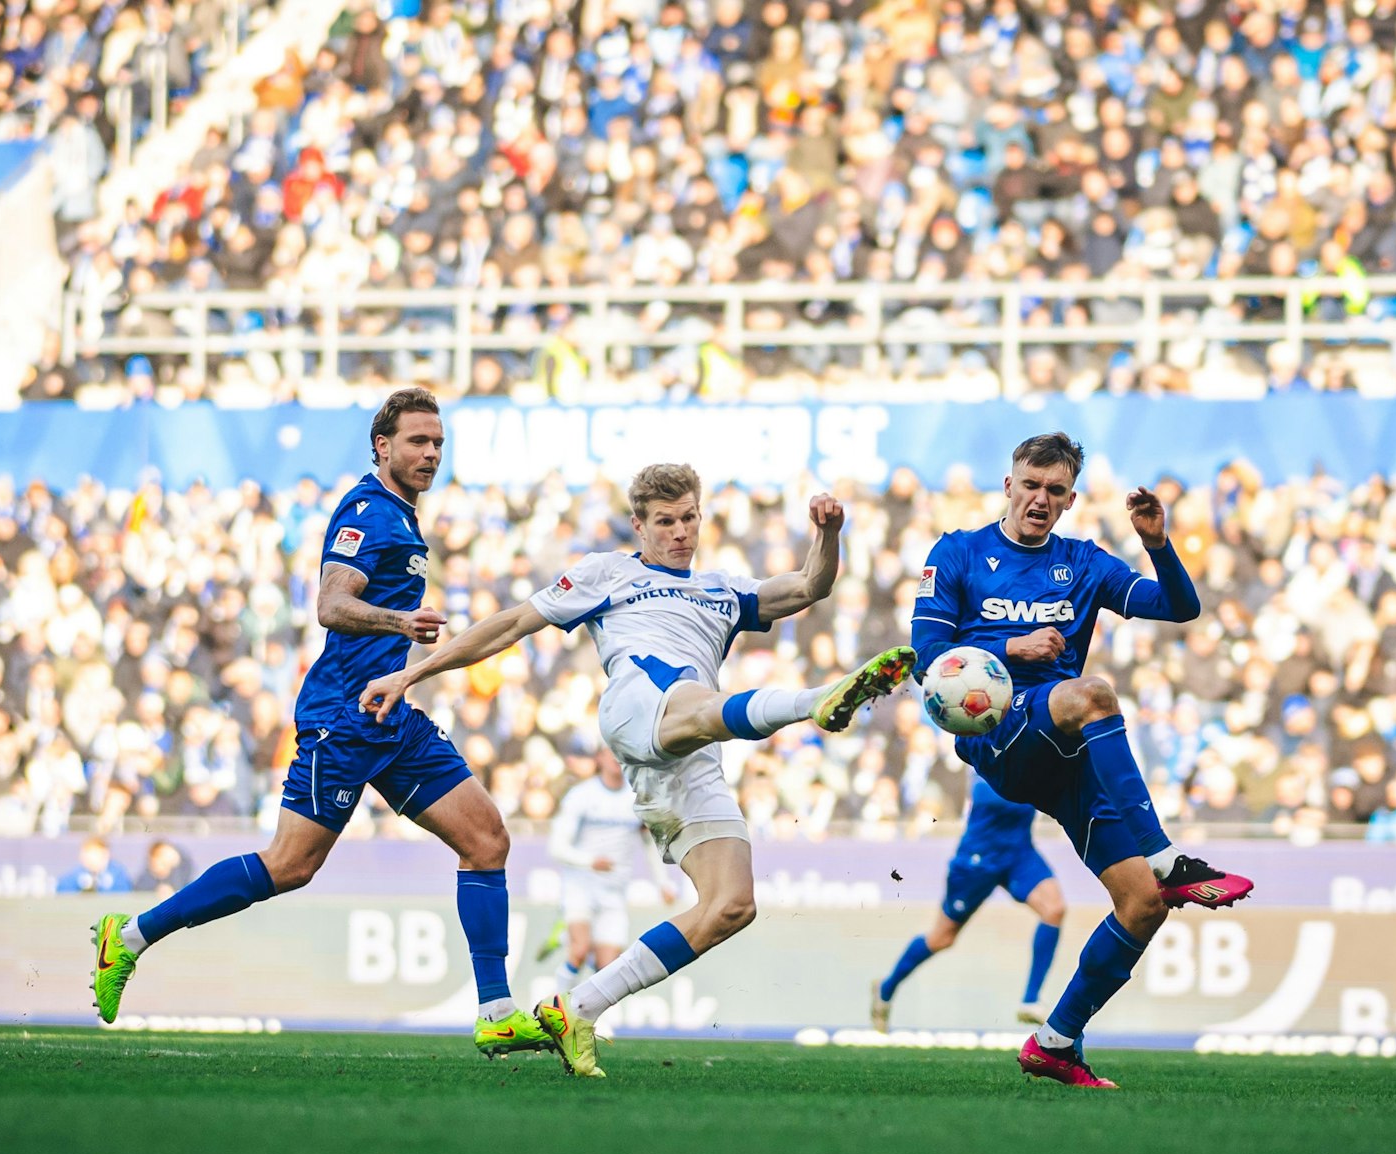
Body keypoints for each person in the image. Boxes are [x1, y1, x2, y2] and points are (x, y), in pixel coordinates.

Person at [362, 461, 915, 1078]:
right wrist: (413, 672)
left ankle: (579, 1008)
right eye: (664, 522)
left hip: (688, 754)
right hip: (637, 708)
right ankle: (812, 702)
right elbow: (512, 625)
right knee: (686, 694)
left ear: (700, 516)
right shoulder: (608, 572)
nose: (679, 532)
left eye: (688, 519)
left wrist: (829, 531)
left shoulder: (722, 590)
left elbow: (812, 585)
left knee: (732, 903)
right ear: (639, 525)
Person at [89, 388, 550, 1058]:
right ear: (381, 446)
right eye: (417, 442)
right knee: (290, 866)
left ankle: (497, 1011)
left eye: (438, 443)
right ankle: (127, 938)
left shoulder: (403, 516)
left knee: (486, 840)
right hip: (343, 714)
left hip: (387, 711)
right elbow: (331, 605)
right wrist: (400, 622)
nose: (429, 454)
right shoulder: (367, 510)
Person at [912, 432, 1254, 1089]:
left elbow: (1179, 609)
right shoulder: (957, 552)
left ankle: (1056, 1041)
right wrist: (1014, 650)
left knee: (1143, 905)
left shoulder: (1084, 563)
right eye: (1030, 484)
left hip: (1067, 746)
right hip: (998, 732)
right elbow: (926, 658)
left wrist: (1157, 543)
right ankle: (1167, 855)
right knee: (1091, 693)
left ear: (1070, 500)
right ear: (1008, 486)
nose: (1039, 499)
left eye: (1054, 490)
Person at [871, 779, 1066, 1031]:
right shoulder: (989, 745)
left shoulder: (1039, 748)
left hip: (1019, 852)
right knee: (942, 938)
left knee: (1054, 909)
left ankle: (1030, 1000)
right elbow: (985, 793)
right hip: (978, 859)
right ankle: (886, 988)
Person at [541, 749, 676, 995]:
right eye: (609, 752)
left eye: (621, 753)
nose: (615, 758)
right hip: (581, 886)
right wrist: (589, 861)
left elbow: (649, 844)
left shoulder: (638, 798)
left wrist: (663, 883)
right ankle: (554, 1008)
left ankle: (585, 1019)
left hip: (615, 890)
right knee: (580, 950)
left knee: (608, 967)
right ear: (599, 758)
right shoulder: (581, 796)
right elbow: (557, 846)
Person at [55, 836, 133, 893]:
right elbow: (64, 892)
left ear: (106, 855)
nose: (92, 861)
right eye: (87, 855)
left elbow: (123, 895)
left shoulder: (118, 875)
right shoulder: (74, 876)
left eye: (97, 855)